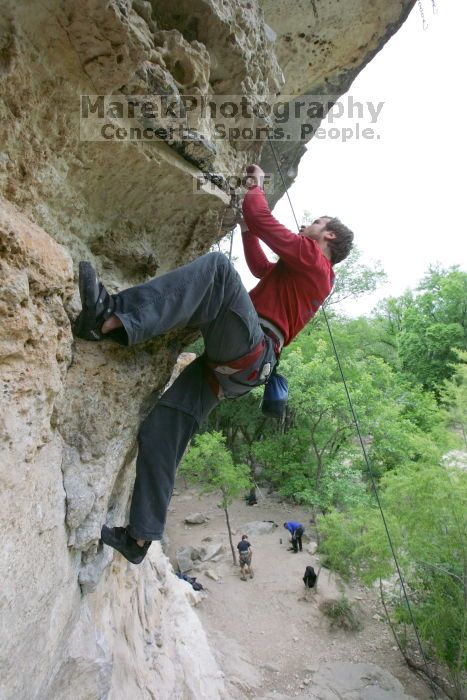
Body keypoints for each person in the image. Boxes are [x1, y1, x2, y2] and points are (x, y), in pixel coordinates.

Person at [73, 163, 354, 565]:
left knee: (219, 270)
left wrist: (255, 188)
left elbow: (262, 217)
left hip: (250, 349)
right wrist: (244, 229)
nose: (308, 221)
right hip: (239, 369)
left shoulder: (317, 263)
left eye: (317, 221)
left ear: (328, 235)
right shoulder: (304, 270)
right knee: (160, 430)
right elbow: (261, 268)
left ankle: (110, 318)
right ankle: (139, 538)